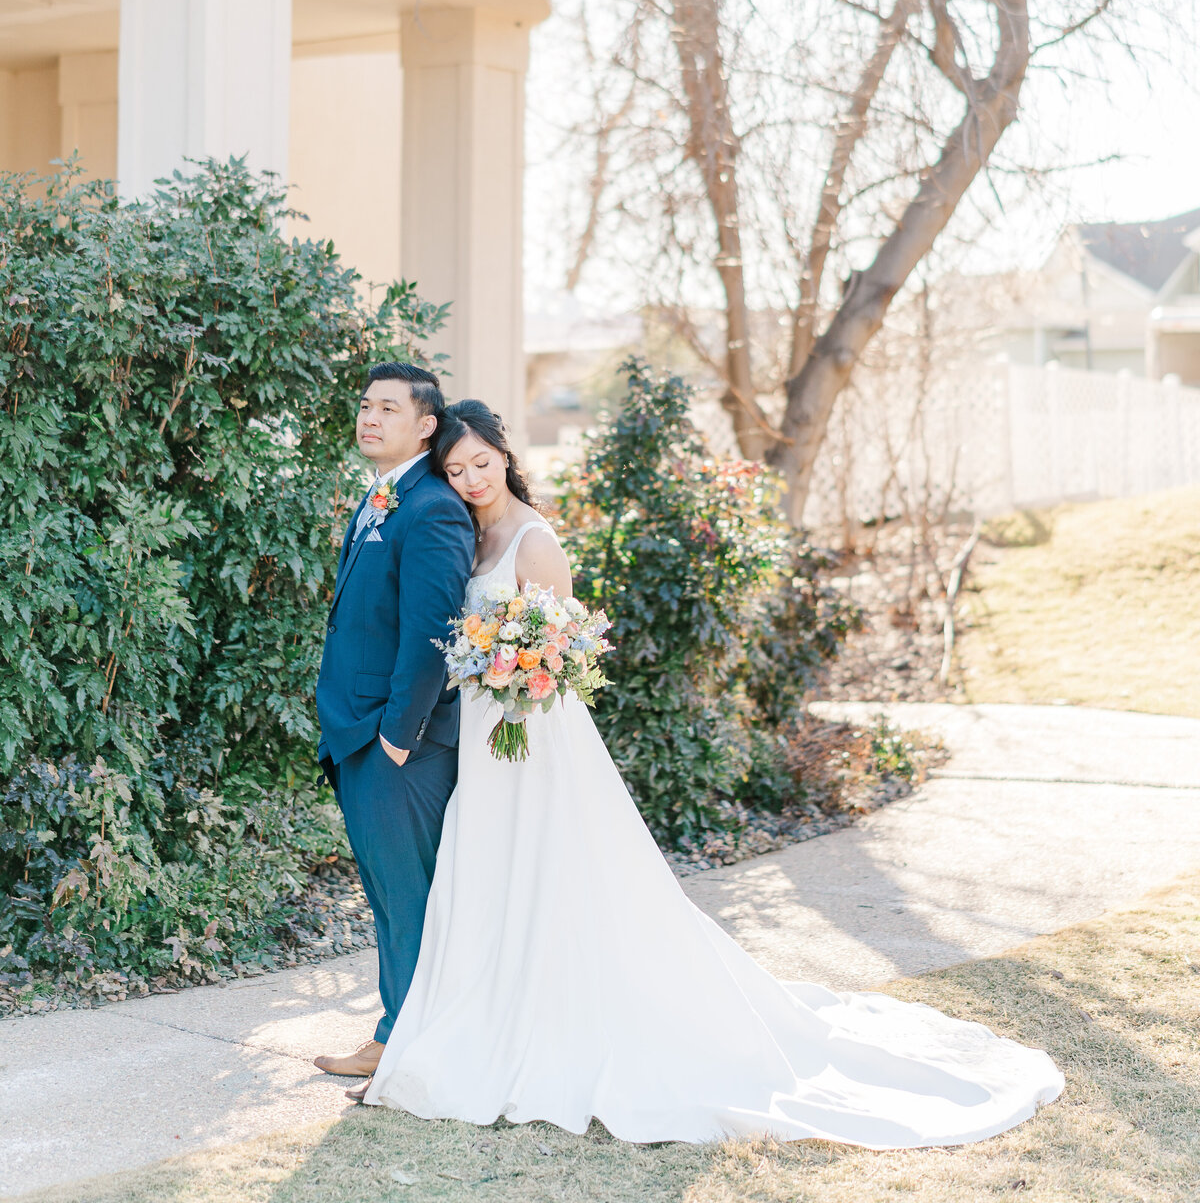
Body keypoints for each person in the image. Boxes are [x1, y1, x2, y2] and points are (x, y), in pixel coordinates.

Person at [353, 397, 1064, 1147]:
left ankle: (559, 1021)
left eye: (481, 463)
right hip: (486, 743)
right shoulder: (467, 535)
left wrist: (517, 665)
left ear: (505, 454)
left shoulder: (534, 540)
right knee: (492, 877)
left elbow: (568, 650)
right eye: (456, 469)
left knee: (555, 874)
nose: (469, 479)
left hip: (536, 736)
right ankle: (490, 1014)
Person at [311, 362, 474, 1081]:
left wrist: (397, 740)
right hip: (355, 731)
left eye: (387, 407)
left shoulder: (431, 506)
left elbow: (432, 633)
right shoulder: (379, 499)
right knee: (388, 895)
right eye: (365, 405)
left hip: (398, 744)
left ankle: (400, 1044)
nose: (368, 417)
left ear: (425, 423)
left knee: (407, 898)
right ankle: (402, 1033)